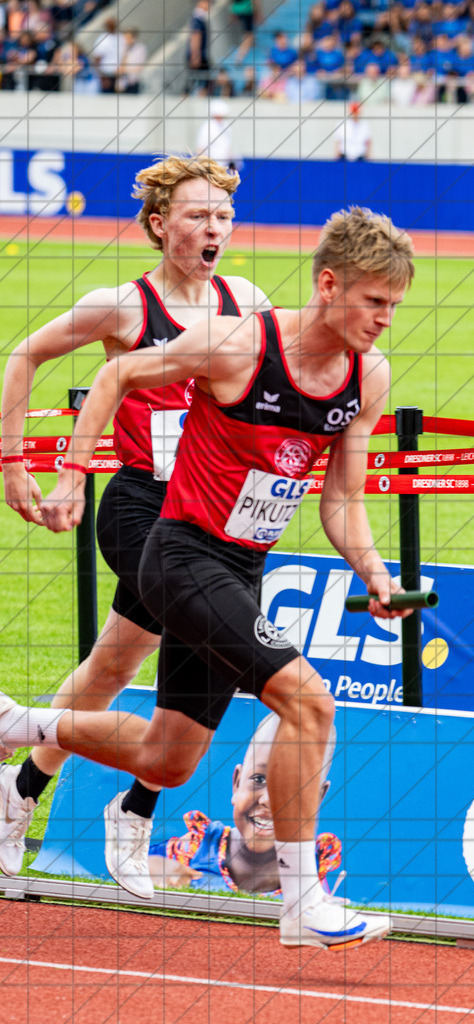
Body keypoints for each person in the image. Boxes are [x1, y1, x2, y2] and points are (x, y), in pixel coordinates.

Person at [0, 205, 415, 950]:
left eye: (394, 305)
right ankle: (300, 901)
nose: (385, 319)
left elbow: (342, 500)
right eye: (374, 301)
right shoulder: (240, 343)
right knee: (309, 703)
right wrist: (72, 473)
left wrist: (375, 571)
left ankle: (16, 725)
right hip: (180, 554)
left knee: (169, 758)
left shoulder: (368, 376)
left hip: (241, 570)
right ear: (329, 284)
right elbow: (120, 370)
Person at [0, 155, 270, 895]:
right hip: (142, 505)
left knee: (115, 667)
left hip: (217, 510)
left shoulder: (244, 299)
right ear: (158, 225)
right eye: (195, 215)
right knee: (211, 632)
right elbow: (24, 355)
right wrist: (21, 464)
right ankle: (132, 808)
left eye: (221, 215)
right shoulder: (122, 306)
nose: (212, 228)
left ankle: (22, 792)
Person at [149, 712, 342, 894]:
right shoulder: (193, 852)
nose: (268, 801)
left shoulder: (312, 877)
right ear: (237, 783)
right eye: (259, 779)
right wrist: (152, 865)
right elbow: (126, 866)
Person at [195, 98, 234, 168]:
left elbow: (228, 146)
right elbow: (201, 148)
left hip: (223, 166)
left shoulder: (226, 126)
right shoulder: (207, 127)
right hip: (210, 165)